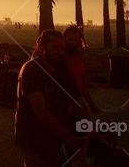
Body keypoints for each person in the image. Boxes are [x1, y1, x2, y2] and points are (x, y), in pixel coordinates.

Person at [15, 30, 86, 166]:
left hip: (56, 136)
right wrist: (69, 137)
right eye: (55, 47)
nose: (59, 52)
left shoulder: (61, 68)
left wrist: (88, 124)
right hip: (33, 138)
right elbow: (42, 112)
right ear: (42, 47)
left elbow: (78, 98)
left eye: (62, 48)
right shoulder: (31, 70)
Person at [63, 25, 99, 113]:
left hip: (77, 99)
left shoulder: (79, 58)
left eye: (75, 40)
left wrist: (91, 105)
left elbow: (82, 84)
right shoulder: (60, 58)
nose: (73, 43)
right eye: (70, 40)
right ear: (64, 39)